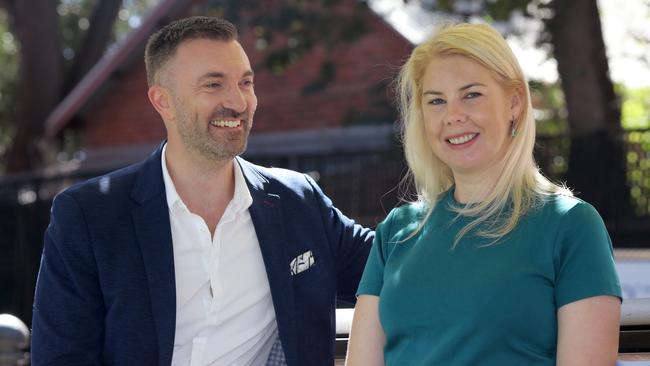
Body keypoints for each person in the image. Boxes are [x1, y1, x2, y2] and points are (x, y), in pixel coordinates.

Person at [31, 16, 374, 366]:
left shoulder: (297, 201)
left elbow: (396, 263)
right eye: (214, 85)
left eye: (246, 82)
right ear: (162, 101)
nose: (238, 102)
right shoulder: (89, 217)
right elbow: (61, 357)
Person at [346, 23, 621, 366]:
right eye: (436, 101)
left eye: (471, 94)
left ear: (515, 103)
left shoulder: (571, 225)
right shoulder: (396, 231)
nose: (453, 116)